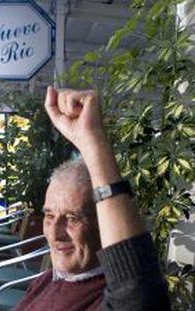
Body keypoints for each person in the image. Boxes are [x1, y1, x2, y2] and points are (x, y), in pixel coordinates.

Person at [14, 87, 170, 310]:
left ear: (103, 224)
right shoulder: (50, 279)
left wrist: (92, 140)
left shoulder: (103, 298)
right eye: (49, 216)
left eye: (72, 218)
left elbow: (136, 292)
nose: (55, 233)